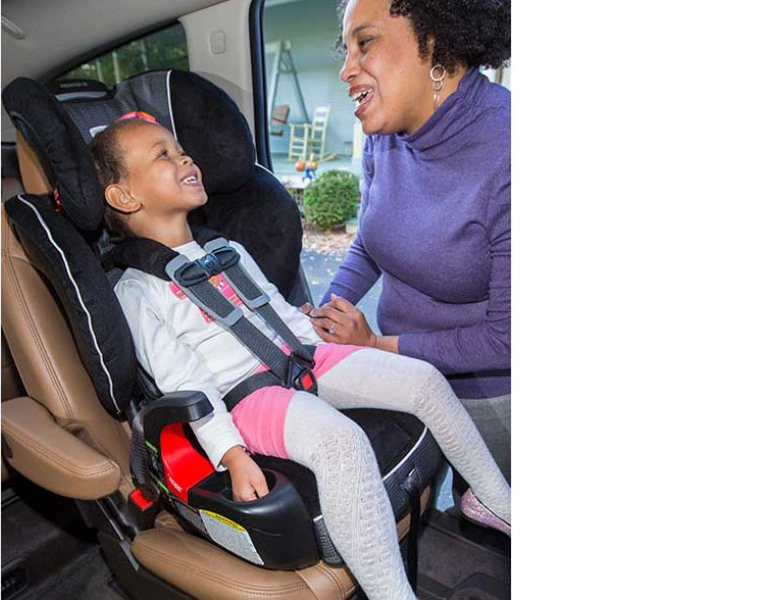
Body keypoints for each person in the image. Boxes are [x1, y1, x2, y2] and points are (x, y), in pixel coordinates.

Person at [91, 113, 510, 600]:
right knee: (342, 443)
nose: (184, 156)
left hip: (301, 359)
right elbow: (187, 385)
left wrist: (322, 333)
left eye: (181, 147)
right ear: (124, 196)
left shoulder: (225, 250)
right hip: (246, 397)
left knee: (423, 380)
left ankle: (494, 501)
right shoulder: (139, 290)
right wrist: (231, 453)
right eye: (162, 154)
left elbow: (278, 314)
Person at [307, 0, 513, 480]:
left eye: (366, 43)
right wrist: (326, 311)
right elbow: (370, 242)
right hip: (404, 376)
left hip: (490, 397)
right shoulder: (385, 131)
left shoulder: (511, 151)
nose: (345, 70)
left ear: (433, 40)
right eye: (347, 48)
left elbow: (507, 341)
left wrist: (375, 344)